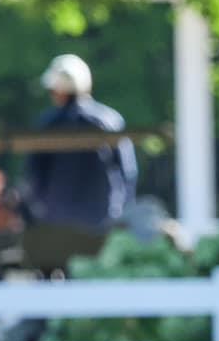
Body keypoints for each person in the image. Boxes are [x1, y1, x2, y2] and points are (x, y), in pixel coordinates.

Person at [22, 53, 138, 230]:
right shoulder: (110, 120)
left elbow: (33, 176)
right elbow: (128, 172)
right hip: (104, 223)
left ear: (58, 91)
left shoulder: (47, 124)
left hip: (56, 226)